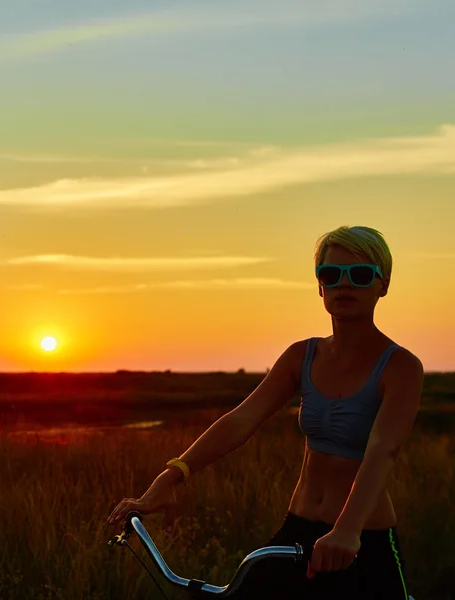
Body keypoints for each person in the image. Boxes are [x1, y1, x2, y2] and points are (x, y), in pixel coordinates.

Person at [107, 225, 424, 599]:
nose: (344, 284)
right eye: (331, 274)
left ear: (382, 284)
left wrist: (347, 529)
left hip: (361, 539)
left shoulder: (400, 367)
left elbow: (382, 450)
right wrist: (172, 475)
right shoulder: (301, 356)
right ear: (320, 286)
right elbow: (241, 420)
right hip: (298, 531)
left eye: (359, 275)